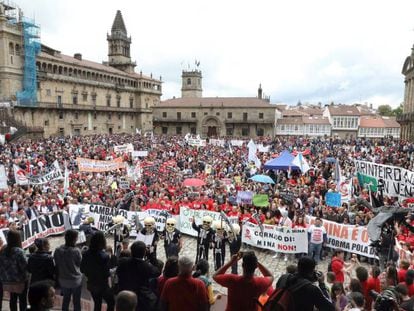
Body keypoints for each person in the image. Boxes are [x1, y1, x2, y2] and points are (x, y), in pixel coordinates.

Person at [116, 241, 161, 311]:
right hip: (140, 298)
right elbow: (157, 272)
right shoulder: (146, 266)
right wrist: (152, 256)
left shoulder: (122, 262)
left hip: (124, 292)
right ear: (144, 253)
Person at [80, 231, 115, 311]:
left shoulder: (85, 254)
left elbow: (82, 269)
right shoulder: (104, 256)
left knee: (97, 304)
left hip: (91, 284)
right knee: (111, 302)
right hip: (102, 286)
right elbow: (106, 274)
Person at [53, 229, 82, 311]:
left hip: (63, 280)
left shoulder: (57, 250)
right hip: (75, 281)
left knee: (66, 300)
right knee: (76, 302)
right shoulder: (76, 251)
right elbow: (80, 264)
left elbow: (56, 262)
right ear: (74, 239)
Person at [0, 230, 28, 311]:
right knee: (23, 301)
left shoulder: (3, 250)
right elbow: (24, 267)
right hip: (20, 282)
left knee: (13, 299)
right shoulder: (19, 252)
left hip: (7, 282)